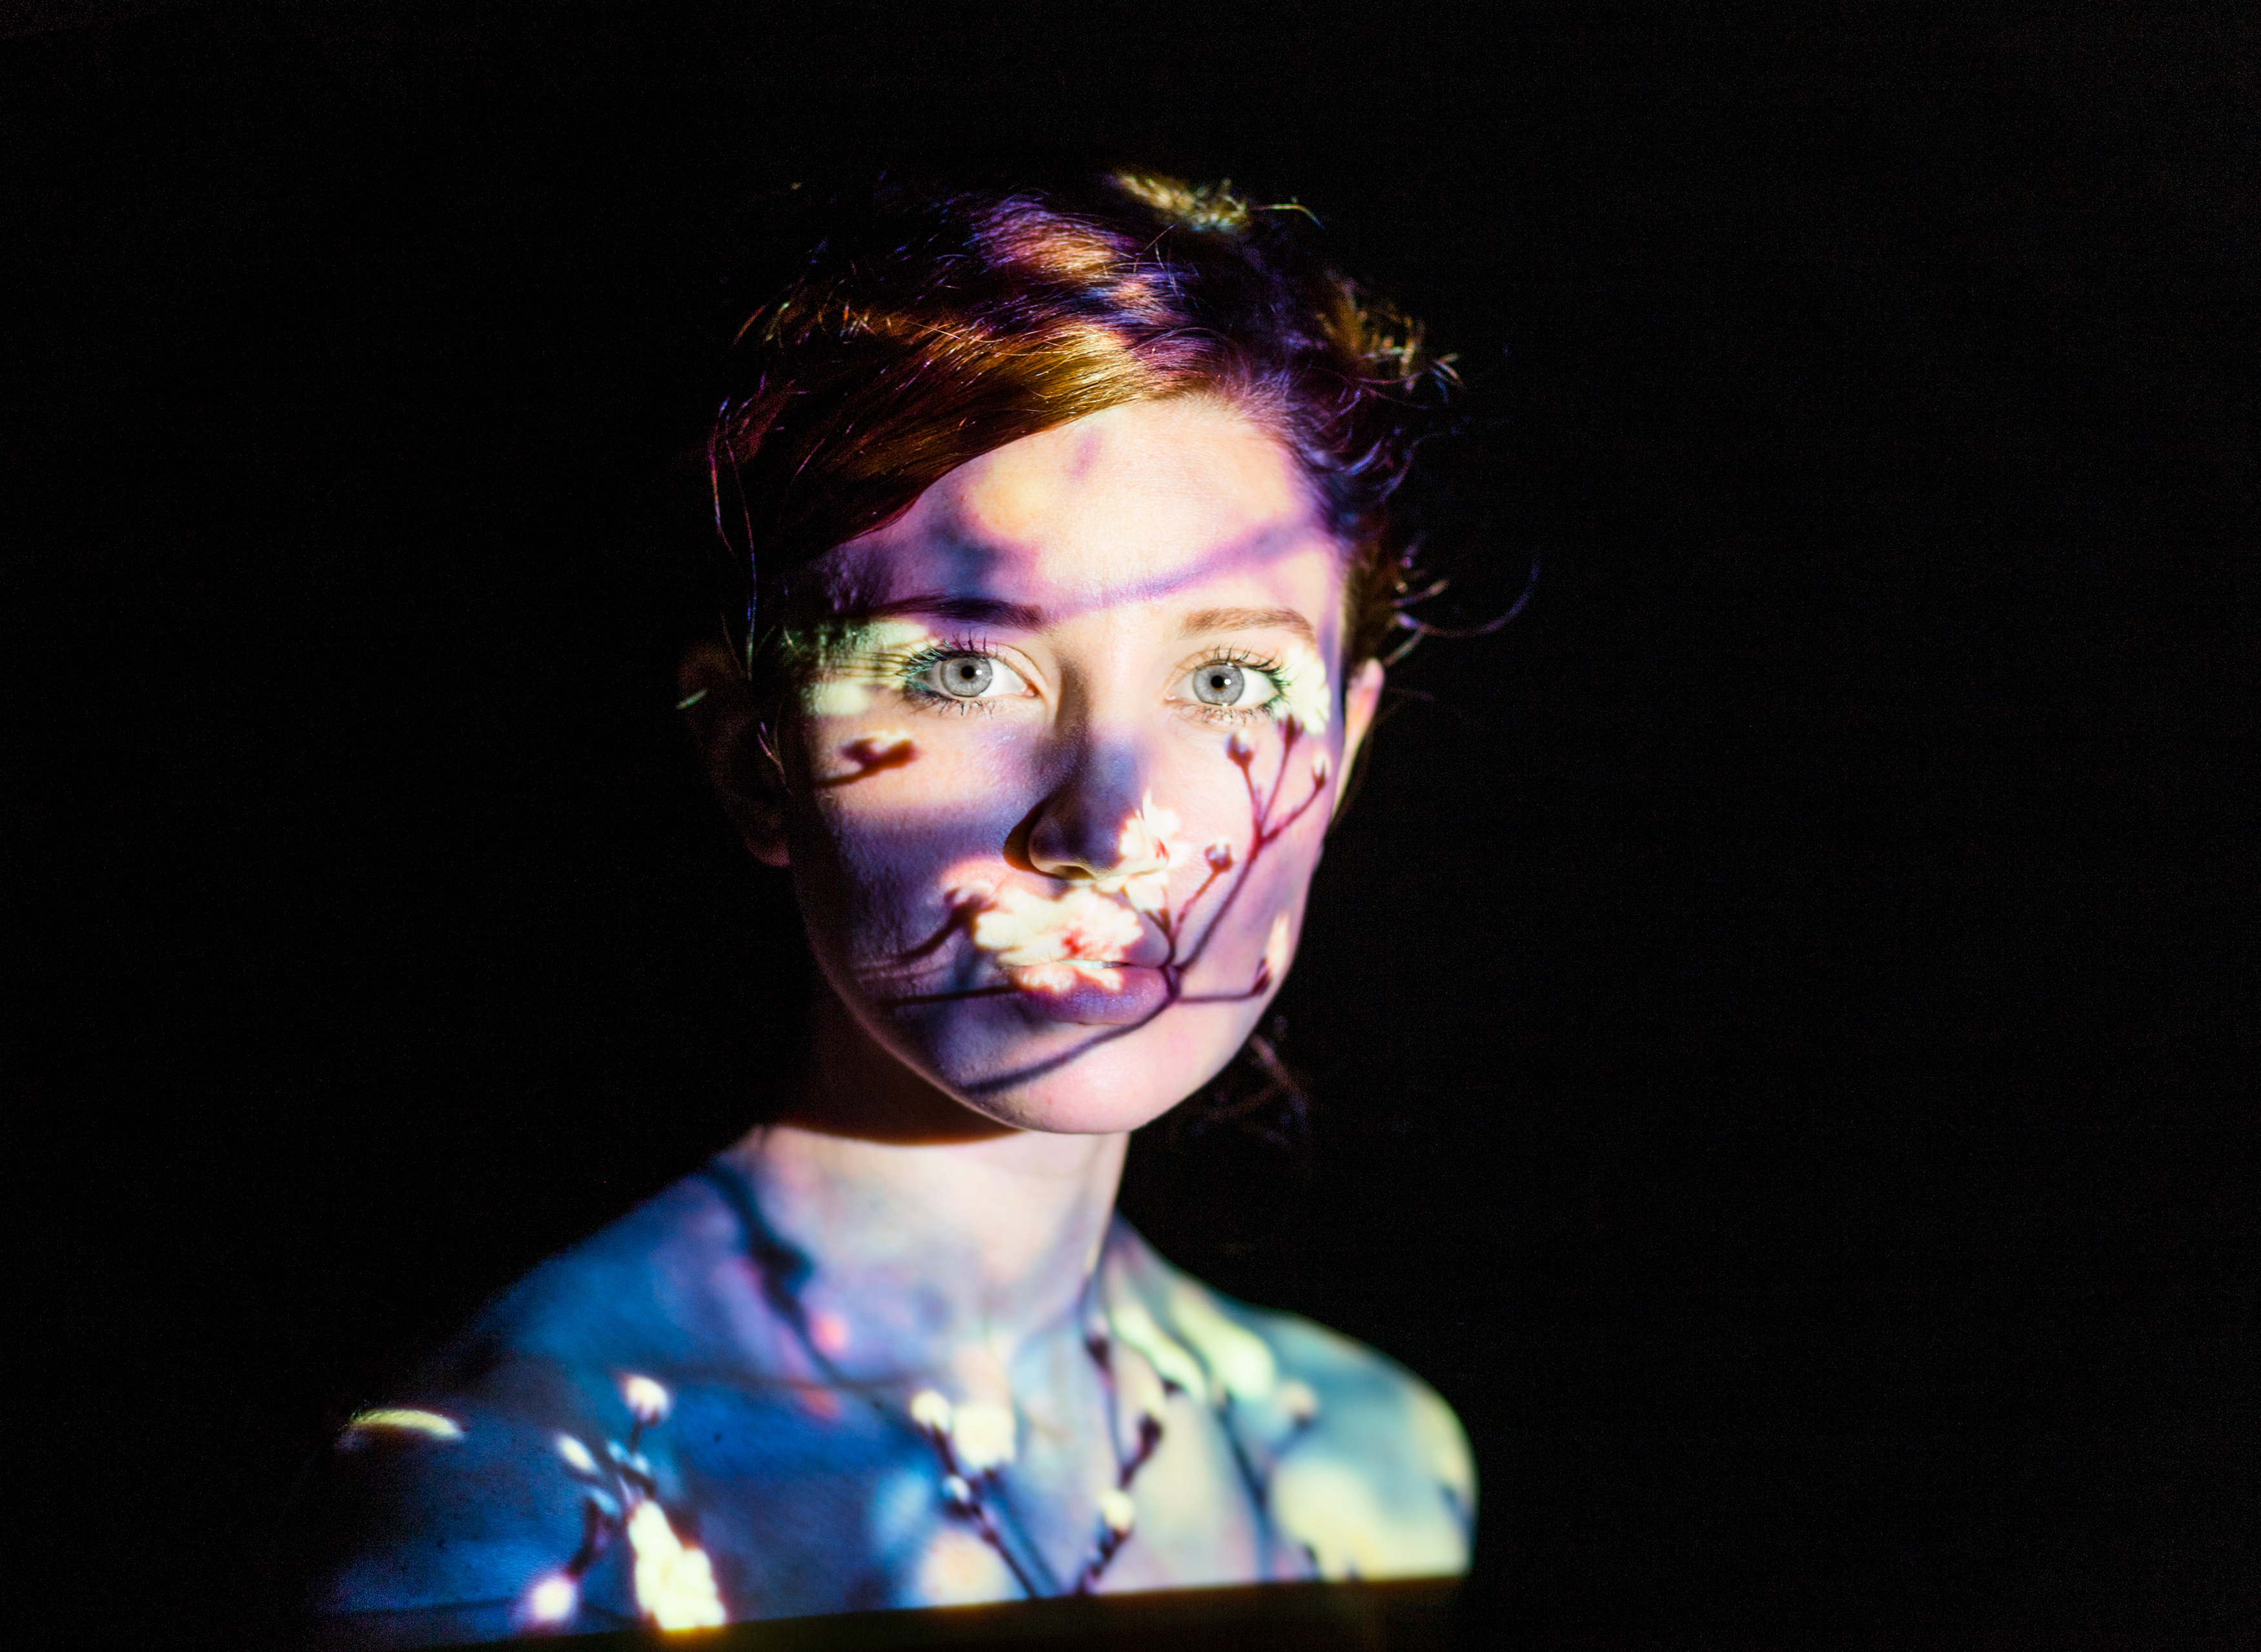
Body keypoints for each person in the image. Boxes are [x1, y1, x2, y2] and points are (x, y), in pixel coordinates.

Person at [285, 170, 1476, 1646]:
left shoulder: (1372, 1467)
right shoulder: (519, 1522)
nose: (1108, 826)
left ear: (1346, 746)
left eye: (1228, 679)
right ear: (756, 758)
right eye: (962, 670)